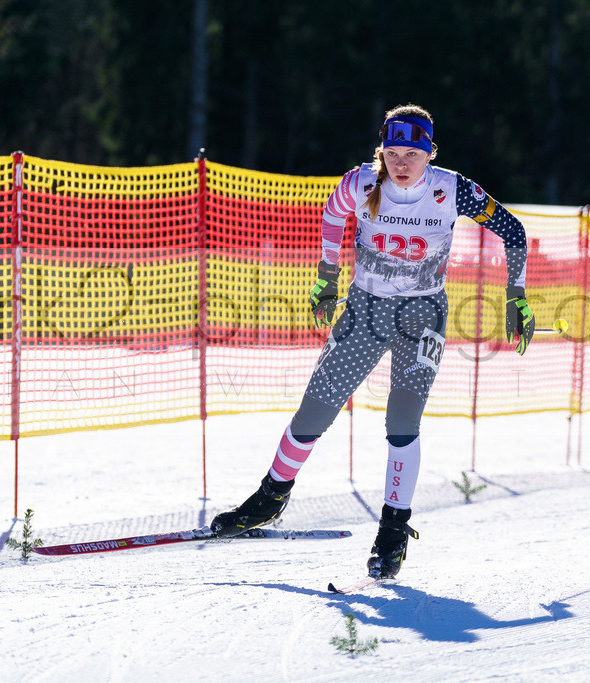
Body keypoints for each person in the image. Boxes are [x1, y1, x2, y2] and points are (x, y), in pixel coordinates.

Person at [210, 104, 534, 579]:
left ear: (429, 154)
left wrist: (517, 295)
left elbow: (513, 231)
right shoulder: (359, 183)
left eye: (412, 153)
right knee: (314, 412)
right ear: (381, 151)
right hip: (366, 309)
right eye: (392, 152)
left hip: (422, 314)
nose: (401, 163)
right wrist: (326, 274)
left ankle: (393, 531)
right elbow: (332, 214)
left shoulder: (453, 189)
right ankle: (269, 499)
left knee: (402, 421)